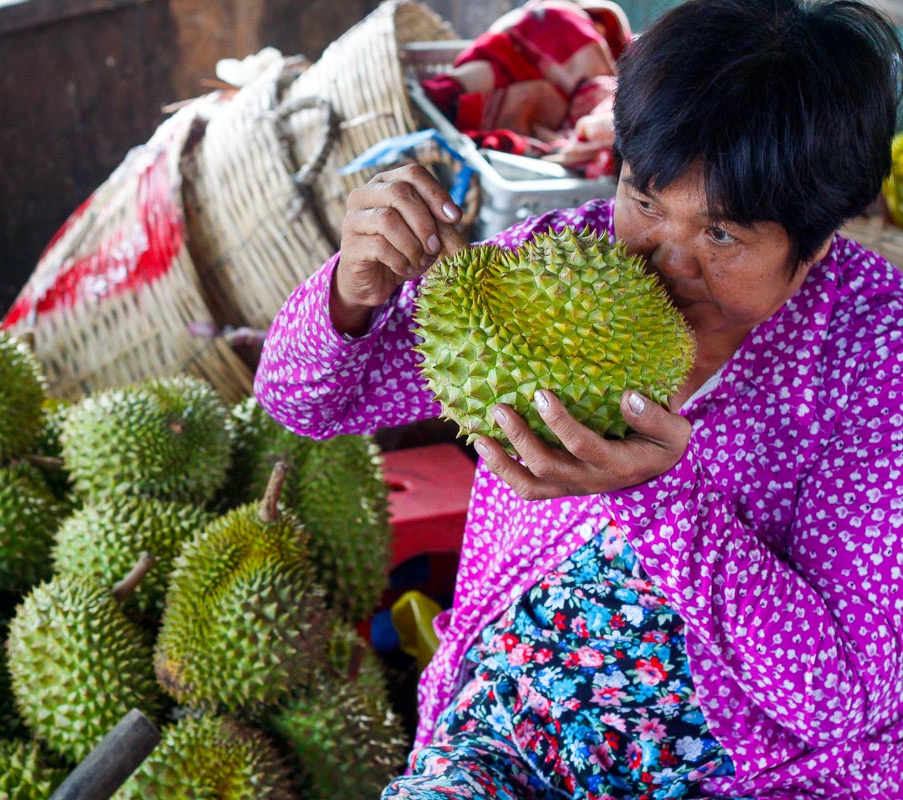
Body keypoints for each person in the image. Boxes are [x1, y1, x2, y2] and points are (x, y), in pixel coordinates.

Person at [253, 0, 903, 797]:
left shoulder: (877, 356)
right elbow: (300, 400)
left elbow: (839, 698)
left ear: (819, 234)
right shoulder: (554, 266)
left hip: (755, 775)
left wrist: (659, 495)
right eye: (645, 200)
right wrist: (352, 294)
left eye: (722, 236)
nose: (667, 261)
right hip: (500, 736)